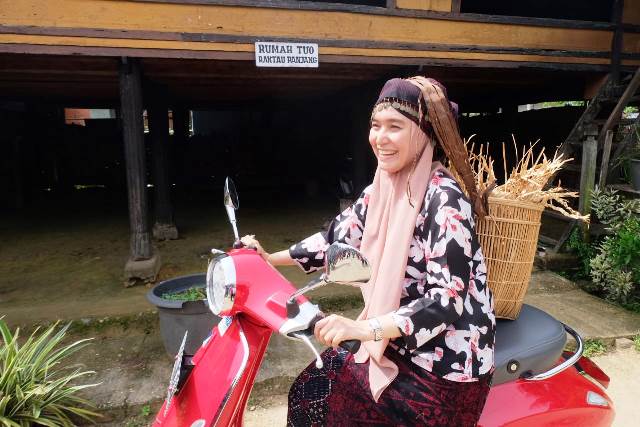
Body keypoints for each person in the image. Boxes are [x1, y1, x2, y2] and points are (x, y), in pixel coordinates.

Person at [241, 77, 495, 427]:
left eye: (395, 127)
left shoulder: (445, 200)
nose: (380, 138)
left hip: (446, 363)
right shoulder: (381, 188)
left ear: (424, 134)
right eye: (376, 126)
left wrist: (363, 329)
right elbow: (335, 239)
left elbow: (445, 301)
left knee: (322, 397)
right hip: (396, 341)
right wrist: (269, 258)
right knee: (310, 389)